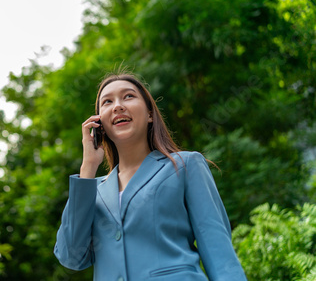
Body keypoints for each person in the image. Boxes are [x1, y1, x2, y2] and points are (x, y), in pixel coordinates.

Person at [54, 72, 247, 280]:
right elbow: (71, 258)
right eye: (107, 101)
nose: (118, 105)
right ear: (99, 124)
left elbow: (219, 252)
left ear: (149, 114)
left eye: (128, 96)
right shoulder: (92, 190)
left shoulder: (185, 165)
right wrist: (88, 167)